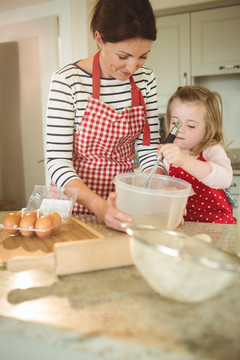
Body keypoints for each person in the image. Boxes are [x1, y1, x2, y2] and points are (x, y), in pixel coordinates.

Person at [46, 0, 164, 231]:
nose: (132, 67)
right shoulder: (67, 81)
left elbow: (150, 151)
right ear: (99, 39)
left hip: (123, 205)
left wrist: (156, 190)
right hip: (71, 209)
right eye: (123, 56)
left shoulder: (146, 81)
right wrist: (99, 207)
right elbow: (57, 162)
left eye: (143, 57)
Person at [157, 85, 236, 224]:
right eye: (175, 123)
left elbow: (225, 178)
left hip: (218, 225)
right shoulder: (169, 153)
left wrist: (183, 161)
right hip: (185, 225)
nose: (179, 130)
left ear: (208, 128)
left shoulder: (211, 149)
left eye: (191, 126)